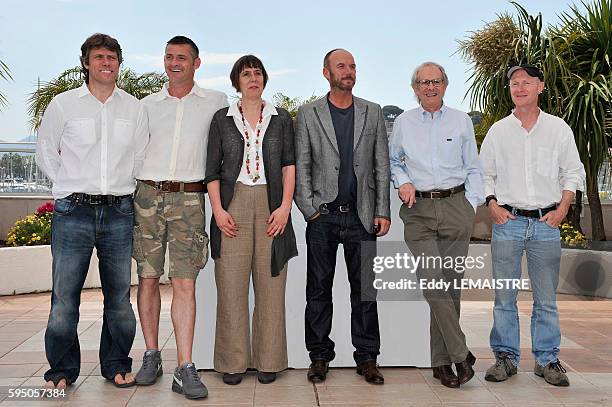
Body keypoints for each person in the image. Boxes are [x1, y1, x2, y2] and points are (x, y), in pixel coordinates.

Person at [35, 33, 147, 389]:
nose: (106, 63)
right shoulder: (63, 105)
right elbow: (46, 152)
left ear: (119, 63)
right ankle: (62, 371)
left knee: (118, 300)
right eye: (99, 57)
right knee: (64, 301)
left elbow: (141, 157)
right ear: (85, 62)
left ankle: (116, 364)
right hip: (74, 213)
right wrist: (67, 184)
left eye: (112, 57)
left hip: (119, 212)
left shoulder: (135, 108)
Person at [132, 36, 228, 399]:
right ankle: (151, 354)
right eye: (170, 57)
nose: (175, 63)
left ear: (196, 63)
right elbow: (134, 151)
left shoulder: (216, 102)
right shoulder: (146, 105)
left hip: (190, 199)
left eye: (182, 57)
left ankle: (185, 366)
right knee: (147, 277)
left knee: (185, 282)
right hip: (147, 196)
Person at [480, 64, 585, 387]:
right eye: (514, 83)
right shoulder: (499, 131)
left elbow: (573, 171)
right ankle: (506, 358)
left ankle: (547, 359)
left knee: (546, 299)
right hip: (507, 223)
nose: (520, 87)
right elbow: (484, 173)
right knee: (504, 297)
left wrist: (564, 207)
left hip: (545, 223)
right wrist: (493, 205)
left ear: (541, 87)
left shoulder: (558, 129)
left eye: (527, 82)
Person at [294, 48, 390, 385]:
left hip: (362, 218)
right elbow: (302, 164)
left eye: (352, 66)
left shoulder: (373, 112)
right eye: (340, 66)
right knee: (317, 291)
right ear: (326, 73)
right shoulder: (308, 114)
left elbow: (381, 165)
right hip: (323, 218)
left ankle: (367, 358)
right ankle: (319, 357)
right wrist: (309, 210)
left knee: (365, 292)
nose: (347, 71)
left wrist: (382, 210)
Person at [389, 62, 484, 388]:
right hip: (418, 212)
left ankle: (443, 364)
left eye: (436, 81)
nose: (430, 87)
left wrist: (470, 207)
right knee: (433, 282)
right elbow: (393, 160)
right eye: (424, 82)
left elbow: (473, 167)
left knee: (450, 288)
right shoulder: (403, 121)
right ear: (415, 88)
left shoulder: (461, 121)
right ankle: (461, 353)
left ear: (445, 85)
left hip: (456, 206)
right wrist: (402, 181)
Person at [205, 55, 297, 385]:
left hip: (271, 203)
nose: (253, 78)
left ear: (264, 80)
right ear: (236, 81)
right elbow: (212, 171)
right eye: (246, 74)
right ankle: (232, 363)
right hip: (234, 203)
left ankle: (268, 360)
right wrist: (218, 210)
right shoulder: (222, 119)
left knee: (271, 286)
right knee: (231, 287)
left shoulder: (282, 118)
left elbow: (289, 164)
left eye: (258, 73)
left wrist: (286, 206)